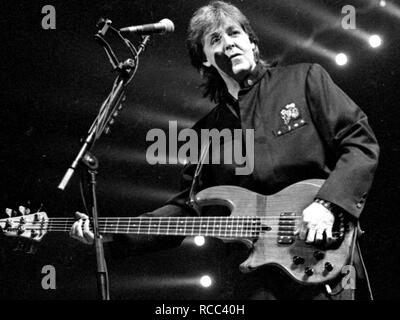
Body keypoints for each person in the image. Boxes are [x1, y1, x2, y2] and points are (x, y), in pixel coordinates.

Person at [70, 1, 379, 300]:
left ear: (252, 43)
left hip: (323, 256)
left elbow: (359, 141)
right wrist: (107, 233)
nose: (229, 43)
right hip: (255, 277)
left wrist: (329, 204)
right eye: (215, 39)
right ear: (204, 59)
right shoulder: (207, 132)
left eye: (234, 33)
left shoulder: (304, 79)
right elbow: (187, 210)